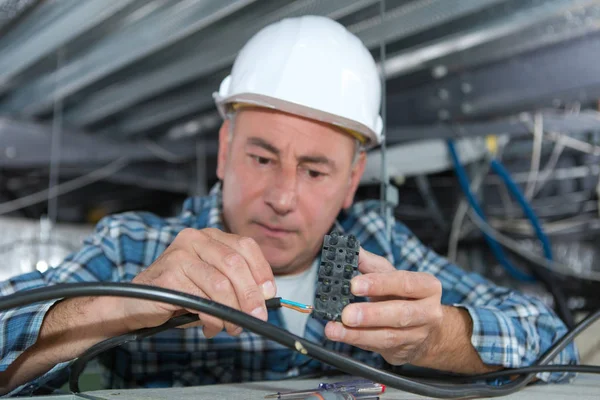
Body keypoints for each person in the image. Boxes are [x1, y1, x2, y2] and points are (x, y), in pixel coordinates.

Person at [0, 15, 577, 396]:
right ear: (225, 150)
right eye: (260, 157)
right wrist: (126, 304)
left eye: (315, 170)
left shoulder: (375, 246)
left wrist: (435, 337)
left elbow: (557, 345)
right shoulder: (137, 245)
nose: (281, 197)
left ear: (352, 182)